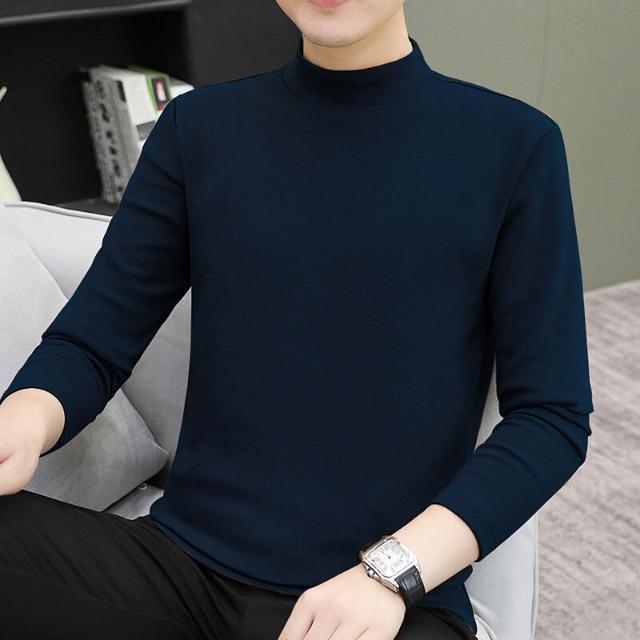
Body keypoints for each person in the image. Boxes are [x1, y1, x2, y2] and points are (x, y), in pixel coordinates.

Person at [0, 1, 594, 639]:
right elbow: (93, 342)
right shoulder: (199, 128)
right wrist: (24, 419)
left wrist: (390, 574)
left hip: (384, 605)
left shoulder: (514, 146)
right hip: (181, 571)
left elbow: (551, 418)